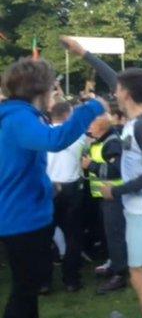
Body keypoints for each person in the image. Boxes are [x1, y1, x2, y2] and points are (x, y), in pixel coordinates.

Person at [63, 36, 142, 318]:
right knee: (138, 275)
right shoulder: (138, 114)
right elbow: (113, 75)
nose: (113, 88)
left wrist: (116, 189)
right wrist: (83, 53)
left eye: (118, 87)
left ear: (125, 94)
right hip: (139, 206)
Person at [0, 57, 105, 318]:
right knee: (23, 294)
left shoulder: (18, 116)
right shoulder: (19, 117)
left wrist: (48, 186)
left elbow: (18, 167)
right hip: (21, 220)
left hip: (24, 215)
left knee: (28, 291)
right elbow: (54, 141)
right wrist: (91, 107)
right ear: (41, 90)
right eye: (52, 85)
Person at [42, 101, 87, 294]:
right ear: (68, 115)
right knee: (73, 235)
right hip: (70, 188)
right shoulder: (76, 135)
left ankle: (43, 282)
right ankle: (71, 280)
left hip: (49, 188)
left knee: (44, 237)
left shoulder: (43, 135)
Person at [83, 114, 128, 294]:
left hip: (114, 197)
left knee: (116, 234)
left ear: (101, 127)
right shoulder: (100, 140)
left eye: (91, 126)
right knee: (110, 234)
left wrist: (90, 165)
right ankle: (115, 265)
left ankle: (120, 274)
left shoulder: (112, 143)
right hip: (104, 196)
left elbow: (116, 170)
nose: (88, 129)